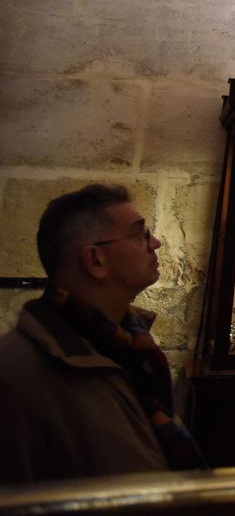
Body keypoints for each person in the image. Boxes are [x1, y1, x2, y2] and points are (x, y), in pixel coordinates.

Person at [0, 185, 205, 482]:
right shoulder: (17, 373)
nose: (156, 243)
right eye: (140, 234)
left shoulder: (130, 347)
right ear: (95, 260)